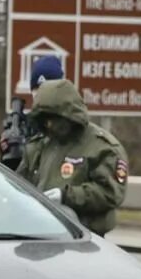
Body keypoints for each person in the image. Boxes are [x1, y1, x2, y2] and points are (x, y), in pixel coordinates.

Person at [16, 77, 128, 235]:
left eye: (54, 118)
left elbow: (110, 193)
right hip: (39, 231)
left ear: (69, 115)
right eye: (45, 119)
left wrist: (66, 196)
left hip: (85, 236)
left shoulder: (102, 147)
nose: (50, 124)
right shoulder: (40, 145)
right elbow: (19, 186)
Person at [0, 55, 64, 170]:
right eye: (37, 90)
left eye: (47, 90)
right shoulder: (27, 126)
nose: (41, 96)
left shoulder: (73, 125)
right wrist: (10, 150)